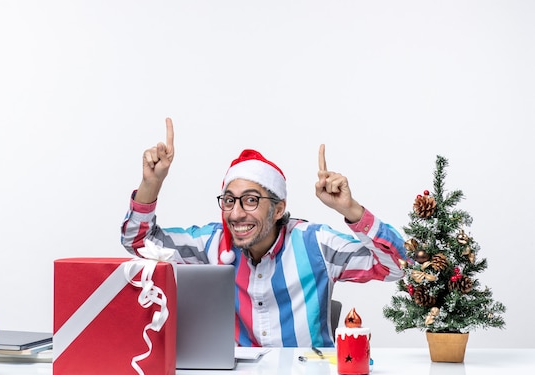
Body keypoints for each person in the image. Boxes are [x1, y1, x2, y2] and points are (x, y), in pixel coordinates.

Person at [121, 118, 406, 347]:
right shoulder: (212, 243)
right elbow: (139, 242)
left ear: (279, 209)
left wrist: (351, 209)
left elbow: (396, 266)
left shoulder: (315, 243)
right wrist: (151, 183)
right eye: (229, 200)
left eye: (251, 200)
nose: (236, 213)